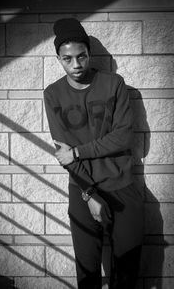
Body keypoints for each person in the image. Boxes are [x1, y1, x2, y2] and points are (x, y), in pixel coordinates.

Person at [44, 18, 144, 289]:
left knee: (127, 272)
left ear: (89, 54)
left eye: (81, 56)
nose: (76, 65)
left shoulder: (114, 84)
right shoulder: (52, 93)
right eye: (67, 59)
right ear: (58, 58)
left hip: (123, 187)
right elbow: (64, 154)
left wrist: (78, 151)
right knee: (87, 274)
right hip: (82, 188)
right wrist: (88, 194)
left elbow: (123, 136)